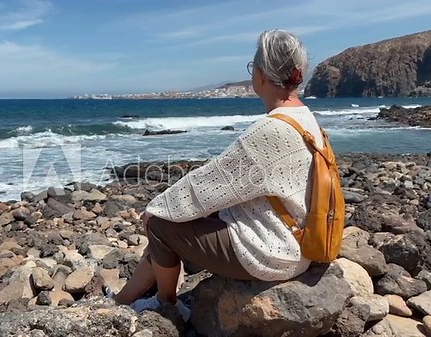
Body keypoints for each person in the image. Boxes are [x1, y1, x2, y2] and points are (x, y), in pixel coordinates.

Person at [111, 29, 324, 321]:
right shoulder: (305, 118)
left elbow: (210, 182)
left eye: (253, 68)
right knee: (180, 218)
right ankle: (122, 301)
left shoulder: (271, 130)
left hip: (274, 251)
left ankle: (167, 305)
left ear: (260, 75)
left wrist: (155, 209)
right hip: (300, 240)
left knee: (161, 225)